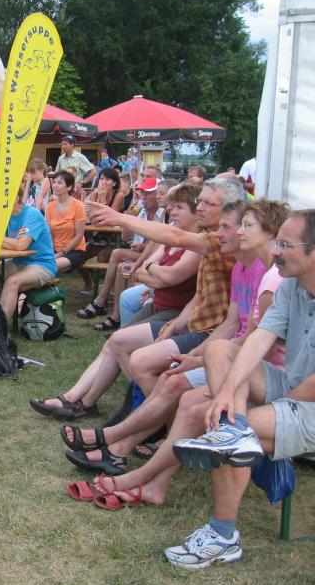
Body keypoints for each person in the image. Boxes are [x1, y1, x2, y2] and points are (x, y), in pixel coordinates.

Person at [63, 199, 288, 485]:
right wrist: (195, 352)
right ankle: (117, 437)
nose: (230, 232)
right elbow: (231, 323)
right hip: (219, 344)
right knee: (149, 364)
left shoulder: (265, 274)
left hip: (248, 364)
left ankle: (115, 439)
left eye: (242, 226)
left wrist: (121, 219)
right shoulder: (241, 266)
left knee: (169, 380)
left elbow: (254, 340)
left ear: (270, 232)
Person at [163, 210, 315, 570]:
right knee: (219, 350)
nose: (275, 252)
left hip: (309, 401)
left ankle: (223, 534)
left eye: (285, 245)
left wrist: (263, 412)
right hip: (293, 386)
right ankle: (234, 432)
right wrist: (227, 393)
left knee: (228, 432)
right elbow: (259, 338)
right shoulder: (292, 285)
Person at [29, 182, 206, 420]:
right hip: (159, 304)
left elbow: (168, 277)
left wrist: (152, 271)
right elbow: (142, 273)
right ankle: (74, 399)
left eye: (179, 207)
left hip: (176, 313)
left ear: (196, 213)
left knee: (119, 342)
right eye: (172, 206)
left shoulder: (197, 243)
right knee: (113, 343)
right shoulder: (173, 237)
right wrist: (153, 272)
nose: (172, 211)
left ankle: (96, 403)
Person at [77, 178, 169, 325]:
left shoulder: (164, 214)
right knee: (120, 265)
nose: (143, 197)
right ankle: (116, 315)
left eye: (147, 194)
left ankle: (102, 302)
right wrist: (129, 216)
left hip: (154, 258)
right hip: (142, 256)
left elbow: (160, 243)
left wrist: (143, 248)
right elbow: (125, 237)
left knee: (116, 254)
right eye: (142, 194)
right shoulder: (142, 211)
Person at [0, 181, 57, 322]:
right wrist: (11, 242)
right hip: (17, 262)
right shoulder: (3, 214)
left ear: (15, 198)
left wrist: (0, 239)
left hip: (42, 265)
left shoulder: (32, 214)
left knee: (12, 282)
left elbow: (21, 245)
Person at [46, 170, 88, 276]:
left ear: (69, 187)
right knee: (36, 265)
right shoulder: (50, 206)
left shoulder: (78, 206)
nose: (55, 185)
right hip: (55, 249)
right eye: (54, 182)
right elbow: (49, 234)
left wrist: (61, 253)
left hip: (75, 250)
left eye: (59, 183)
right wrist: (50, 252)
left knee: (49, 266)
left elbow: (79, 236)